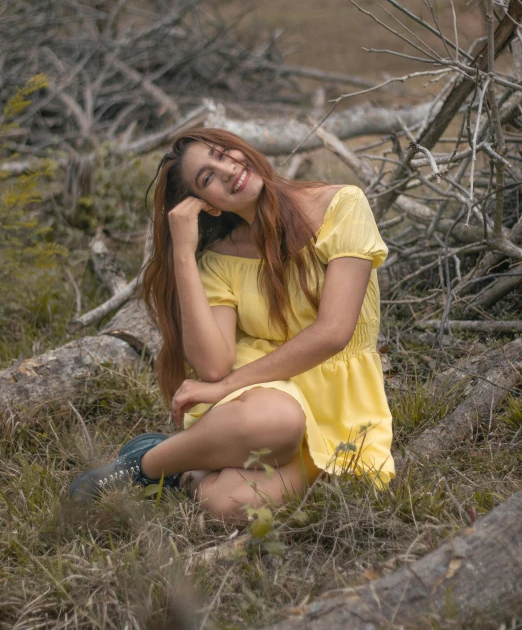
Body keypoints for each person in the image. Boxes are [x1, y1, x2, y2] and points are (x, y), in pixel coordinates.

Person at [70, 128, 394, 520]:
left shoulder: (341, 206)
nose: (226, 170)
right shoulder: (222, 258)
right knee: (278, 422)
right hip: (263, 395)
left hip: (340, 396)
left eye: (223, 153)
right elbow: (213, 365)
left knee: (227, 503)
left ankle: (169, 464)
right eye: (207, 178)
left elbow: (333, 333)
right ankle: (145, 466)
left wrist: (224, 387)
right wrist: (184, 255)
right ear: (205, 204)